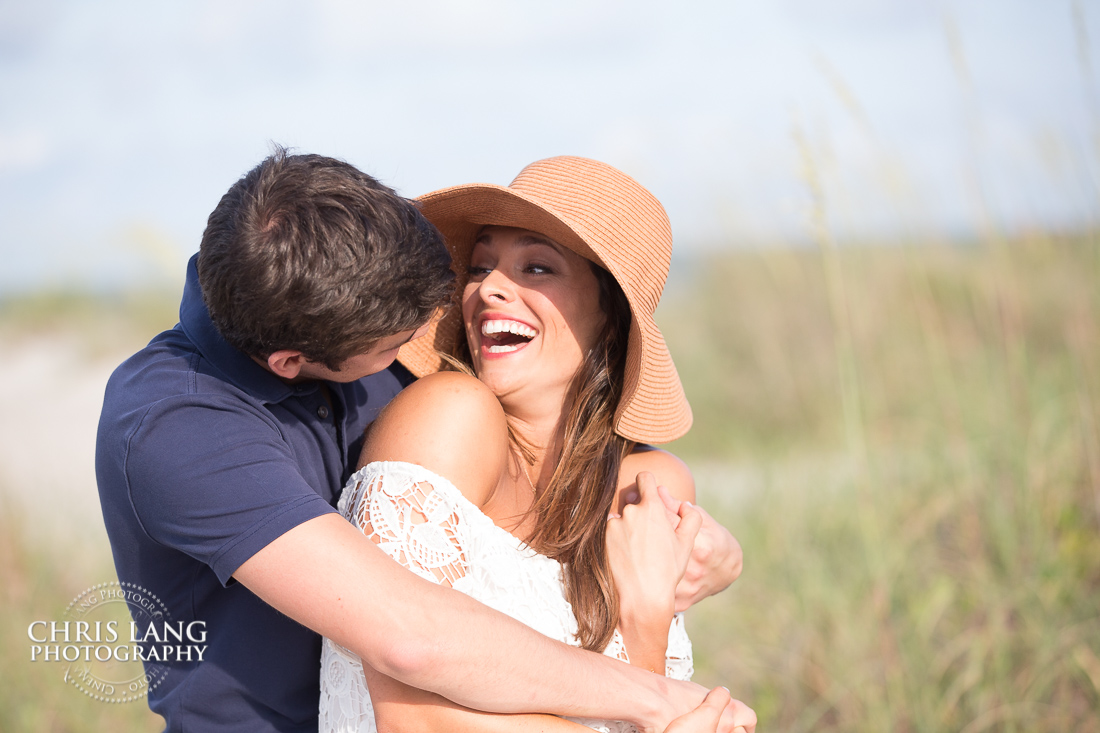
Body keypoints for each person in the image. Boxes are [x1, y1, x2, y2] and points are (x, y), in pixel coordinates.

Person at [95, 149, 748, 732]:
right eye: (481, 264)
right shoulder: (177, 427)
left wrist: (703, 562)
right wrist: (660, 701)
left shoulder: (363, 312)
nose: (476, 297)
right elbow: (413, 643)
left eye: (535, 267)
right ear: (293, 360)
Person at [320, 156, 757, 733]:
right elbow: (412, 719)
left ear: (610, 316)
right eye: (479, 267)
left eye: (537, 268)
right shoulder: (448, 415)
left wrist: (646, 616)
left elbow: (645, 709)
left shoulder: (648, 486)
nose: (490, 289)